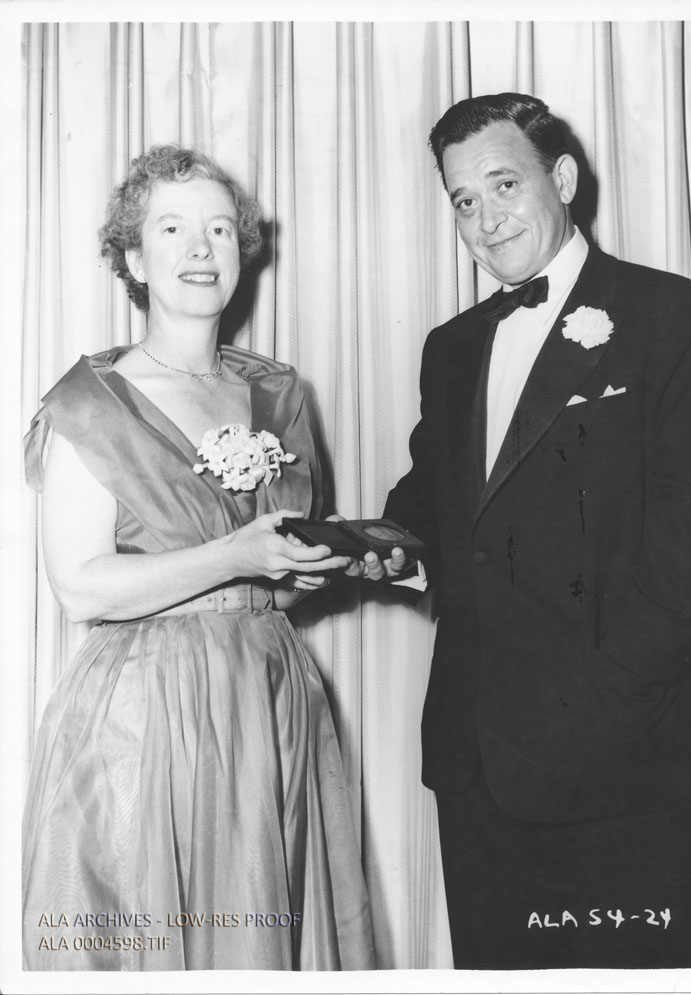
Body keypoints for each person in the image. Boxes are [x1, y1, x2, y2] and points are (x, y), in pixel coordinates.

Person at [359, 93, 691, 969]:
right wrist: (356, 547)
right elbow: (432, 502)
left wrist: (603, 702)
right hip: (473, 762)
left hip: (616, 763)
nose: (484, 218)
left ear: (564, 179)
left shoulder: (668, 315)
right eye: (463, 200)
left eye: (504, 184)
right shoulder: (451, 346)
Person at [22, 145, 374, 971]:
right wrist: (234, 554)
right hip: (148, 709)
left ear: (242, 253)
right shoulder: (89, 402)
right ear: (134, 258)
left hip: (270, 695)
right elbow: (82, 588)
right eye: (172, 228)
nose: (201, 248)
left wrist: (318, 568)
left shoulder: (278, 392)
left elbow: (274, 581)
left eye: (220, 229)